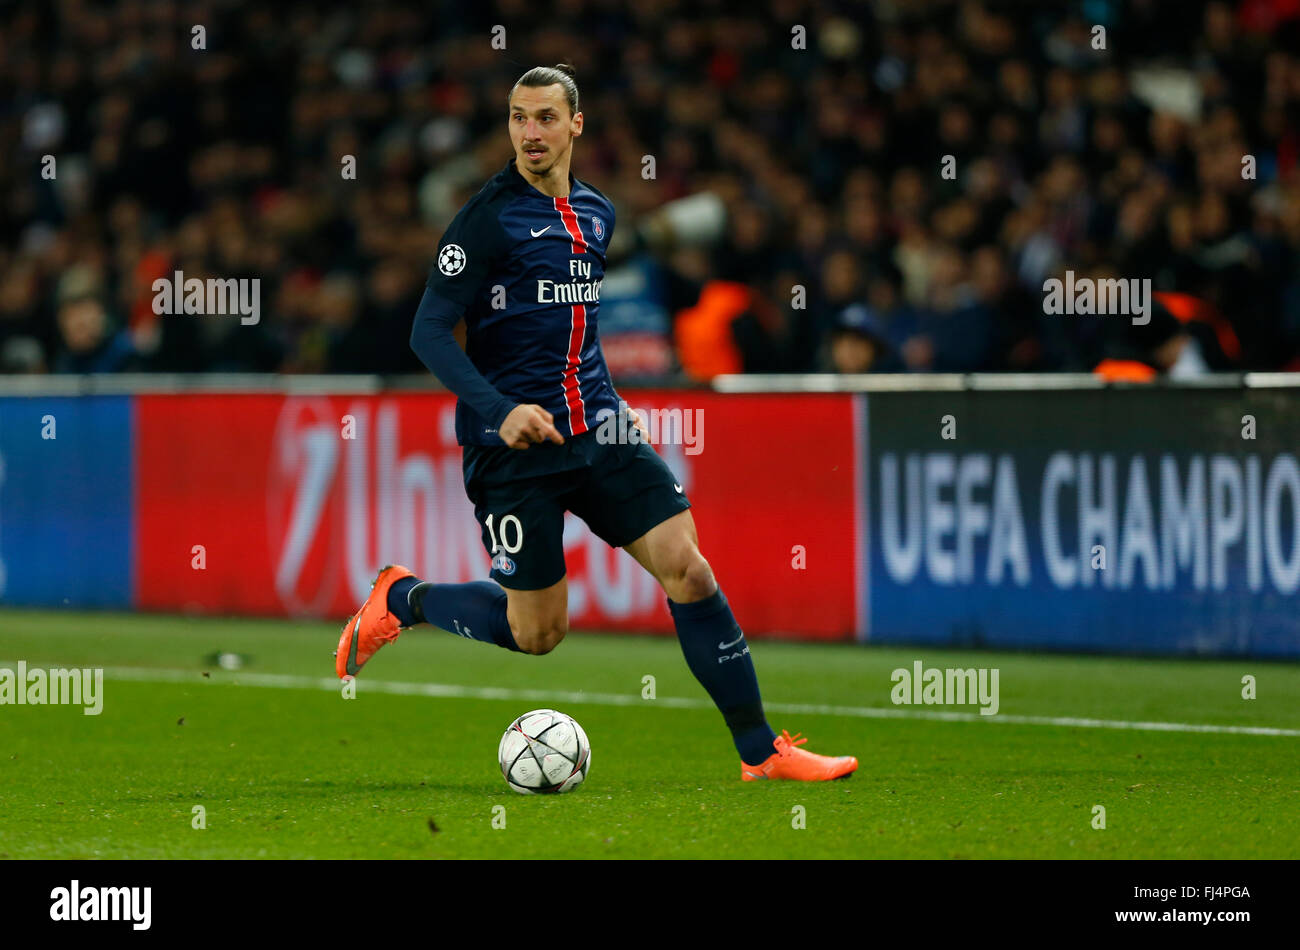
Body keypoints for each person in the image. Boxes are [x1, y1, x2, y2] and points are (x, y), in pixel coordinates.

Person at [333, 64, 856, 782]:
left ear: (576, 124)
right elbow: (428, 333)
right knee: (537, 632)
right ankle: (404, 597)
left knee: (690, 569)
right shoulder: (486, 220)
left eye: (546, 117)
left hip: (598, 431)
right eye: (519, 117)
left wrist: (607, 397)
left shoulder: (598, 214)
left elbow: (575, 327)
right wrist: (502, 409)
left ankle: (761, 751)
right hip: (511, 450)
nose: (530, 132)